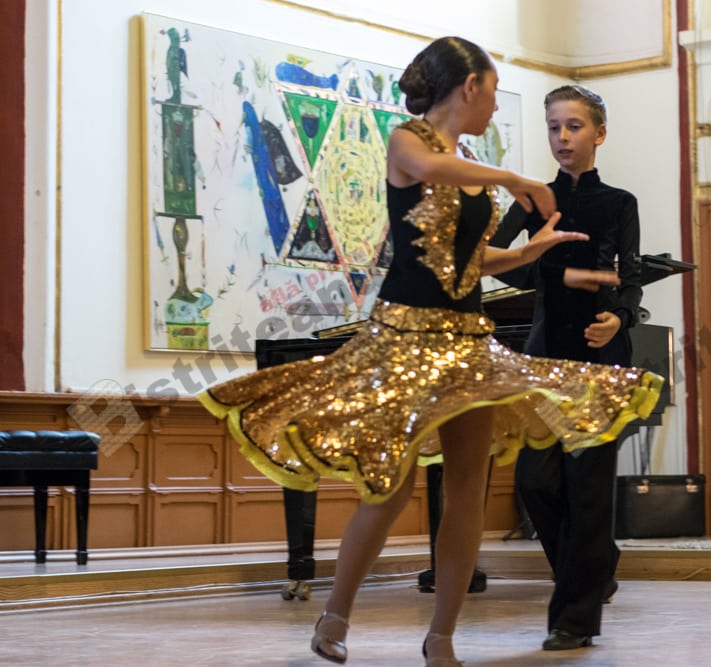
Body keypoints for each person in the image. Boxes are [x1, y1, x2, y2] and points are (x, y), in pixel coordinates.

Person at [199, 38, 662, 666]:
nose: (495, 107)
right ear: (469, 87)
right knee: (388, 493)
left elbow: (467, 259)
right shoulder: (407, 142)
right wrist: (512, 178)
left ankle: (442, 636)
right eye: (492, 93)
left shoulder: (468, 160)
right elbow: (430, 171)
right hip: (405, 341)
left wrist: (524, 254)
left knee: (469, 491)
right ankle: (335, 615)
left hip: (467, 342)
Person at [489, 84, 642, 651]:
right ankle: (592, 570)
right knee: (535, 480)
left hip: (600, 355)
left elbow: (631, 274)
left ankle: (574, 617)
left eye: (574, 126)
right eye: (554, 126)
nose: (562, 137)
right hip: (544, 354)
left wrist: (619, 319)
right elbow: (492, 259)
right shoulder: (534, 200)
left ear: (599, 134)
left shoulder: (620, 202)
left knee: (587, 485)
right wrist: (546, 271)